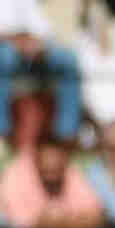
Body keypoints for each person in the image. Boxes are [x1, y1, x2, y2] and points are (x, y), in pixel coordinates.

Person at [0, 0, 82, 145]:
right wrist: (19, 42)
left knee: (69, 60)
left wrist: (38, 46)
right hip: (8, 48)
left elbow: (44, 31)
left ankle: (66, 132)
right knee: (4, 60)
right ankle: (3, 130)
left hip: (36, 50)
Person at [0, 134, 103, 228]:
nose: (52, 164)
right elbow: (24, 224)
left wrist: (59, 222)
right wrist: (69, 221)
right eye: (48, 171)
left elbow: (95, 216)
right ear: (35, 160)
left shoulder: (70, 171)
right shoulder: (16, 175)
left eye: (55, 170)